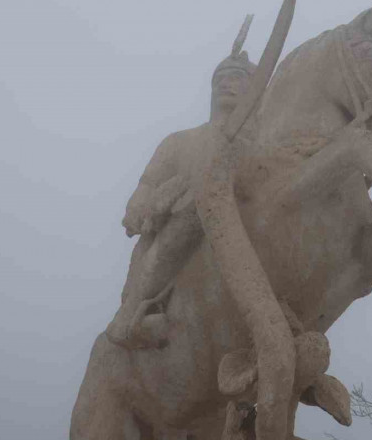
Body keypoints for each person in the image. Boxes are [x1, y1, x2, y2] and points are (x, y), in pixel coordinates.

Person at [106, 17, 258, 349]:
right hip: (190, 225)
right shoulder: (179, 141)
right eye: (221, 79)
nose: (226, 84)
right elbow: (145, 188)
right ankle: (133, 312)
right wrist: (142, 205)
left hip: (247, 226)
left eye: (237, 78)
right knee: (195, 198)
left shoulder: (263, 141)